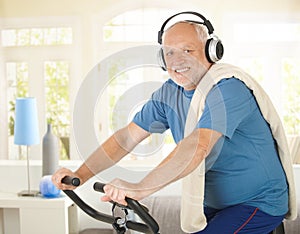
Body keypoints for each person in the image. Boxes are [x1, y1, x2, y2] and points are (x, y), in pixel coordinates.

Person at [52, 14, 290, 233]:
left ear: (211, 52)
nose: (178, 61)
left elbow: (197, 145)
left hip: (258, 201)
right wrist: (79, 175)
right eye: (170, 53)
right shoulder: (169, 94)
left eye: (188, 50)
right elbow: (126, 139)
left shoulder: (228, 88)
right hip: (215, 203)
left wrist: (141, 188)